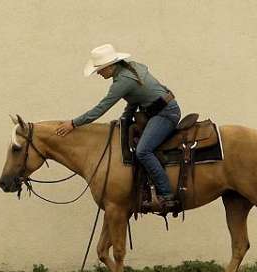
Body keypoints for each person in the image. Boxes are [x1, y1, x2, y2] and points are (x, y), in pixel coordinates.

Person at [55, 44, 181, 210]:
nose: (99, 73)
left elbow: (100, 108)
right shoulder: (130, 69)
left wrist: (73, 123)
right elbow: (134, 99)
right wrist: (124, 119)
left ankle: (167, 195)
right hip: (158, 110)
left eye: (100, 69)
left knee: (143, 151)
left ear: (110, 66)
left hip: (165, 114)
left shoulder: (122, 81)